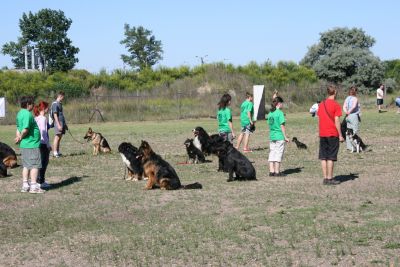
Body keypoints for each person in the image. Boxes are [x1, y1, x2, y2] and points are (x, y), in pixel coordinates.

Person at [15, 96, 45, 193]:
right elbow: (25, 129)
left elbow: (18, 128)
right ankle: (33, 187)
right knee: (35, 166)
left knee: (26, 166)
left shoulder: (19, 114)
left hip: (24, 145)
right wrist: (20, 137)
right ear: (28, 105)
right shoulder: (28, 114)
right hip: (31, 144)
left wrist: (18, 136)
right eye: (32, 104)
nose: (33, 106)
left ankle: (25, 185)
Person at [317, 84, 344, 185]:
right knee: (331, 157)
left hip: (323, 133)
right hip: (332, 133)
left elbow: (319, 119)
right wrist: (340, 135)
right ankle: (330, 178)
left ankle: (325, 178)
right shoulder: (336, 105)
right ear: (335, 92)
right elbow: (337, 121)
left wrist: (319, 132)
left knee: (323, 157)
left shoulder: (321, 104)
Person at [267, 96, 289, 176]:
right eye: (282, 103)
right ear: (279, 104)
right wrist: (285, 137)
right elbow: (282, 126)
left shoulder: (270, 113)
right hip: (279, 136)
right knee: (278, 153)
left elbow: (269, 125)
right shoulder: (280, 113)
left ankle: (271, 171)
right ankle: (277, 172)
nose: (282, 105)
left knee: (272, 152)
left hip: (272, 136)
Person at [33, 101, 51, 189]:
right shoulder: (43, 118)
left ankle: (37, 180)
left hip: (36, 143)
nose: (48, 109)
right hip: (43, 143)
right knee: (44, 162)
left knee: (38, 163)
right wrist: (48, 145)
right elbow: (43, 132)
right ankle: (41, 181)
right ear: (44, 108)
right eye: (48, 107)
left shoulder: (36, 118)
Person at [343, 86, 361, 151]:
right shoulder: (355, 98)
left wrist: (347, 112)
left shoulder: (347, 98)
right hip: (353, 115)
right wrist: (350, 112)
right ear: (355, 92)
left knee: (348, 131)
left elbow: (344, 106)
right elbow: (353, 106)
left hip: (347, 116)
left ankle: (349, 146)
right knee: (355, 131)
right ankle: (356, 147)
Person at [51, 91, 67, 158]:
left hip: (62, 122)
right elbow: (55, 115)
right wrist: (58, 125)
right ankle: (54, 152)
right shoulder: (55, 104)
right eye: (63, 97)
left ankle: (57, 151)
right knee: (57, 137)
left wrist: (65, 124)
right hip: (58, 123)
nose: (63, 98)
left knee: (59, 137)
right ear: (60, 96)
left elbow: (61, 114)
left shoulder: (60, 104)